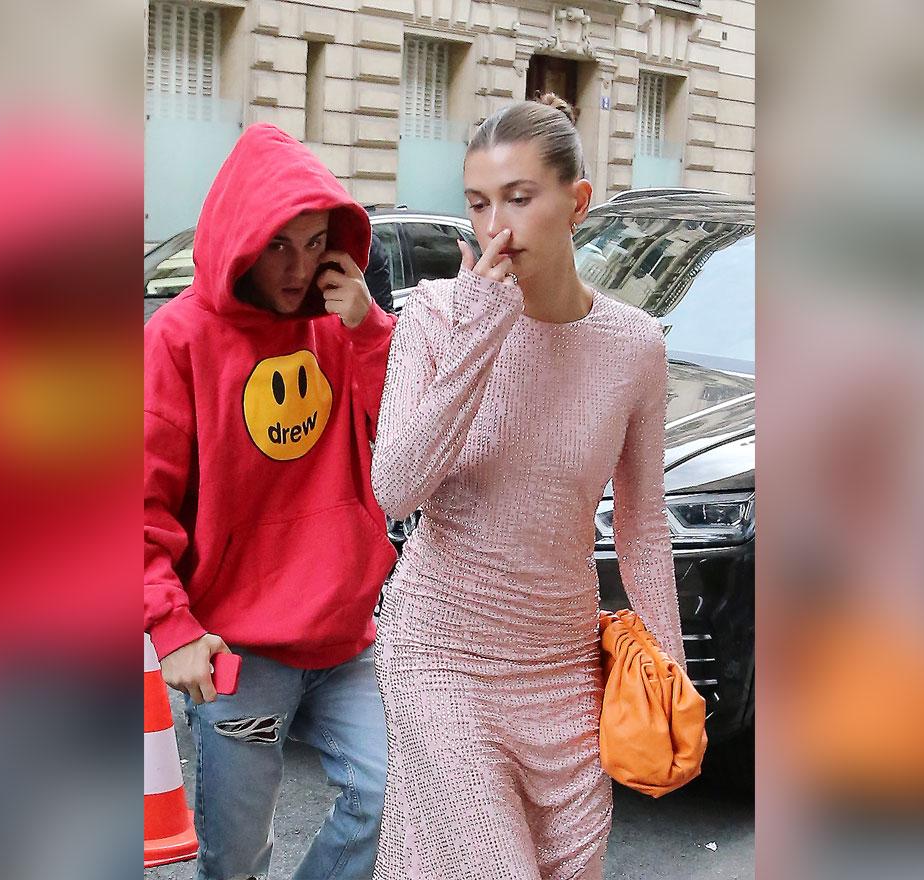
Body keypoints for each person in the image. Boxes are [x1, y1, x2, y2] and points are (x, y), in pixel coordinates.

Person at [369, 95, 686, 878]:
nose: (495, 228)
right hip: (442, 654)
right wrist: (483, 329)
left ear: (576, 202)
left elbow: (643, 526)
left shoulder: (635, 345)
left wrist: (669, 676)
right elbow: (395, 489)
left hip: (565, 670)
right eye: (478, 204)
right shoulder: (438, 316)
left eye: (519, 198)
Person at [144, 123, 397, 880]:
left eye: (316, 242)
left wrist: (369, 331)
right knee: (236, 860)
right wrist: (171, 624)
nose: (297, 267)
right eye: (278, 245)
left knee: (391, 796)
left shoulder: (341, 327)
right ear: (241, 240)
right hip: (237, 649)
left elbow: (409, 444)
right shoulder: (179, 339)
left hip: (346, 637)